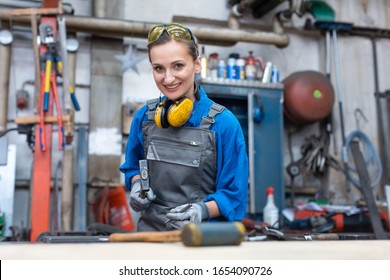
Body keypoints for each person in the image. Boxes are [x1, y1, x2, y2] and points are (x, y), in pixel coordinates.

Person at [119, 22, 248, 231]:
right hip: (151, 240)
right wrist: (136, 185)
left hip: (202, 241)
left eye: (178, 66)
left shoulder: (224, 124)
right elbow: (133, 167)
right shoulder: (144, 117)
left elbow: (234, 195)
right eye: (159, 68)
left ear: (197, 64)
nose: (168, 78)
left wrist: (202, 210)